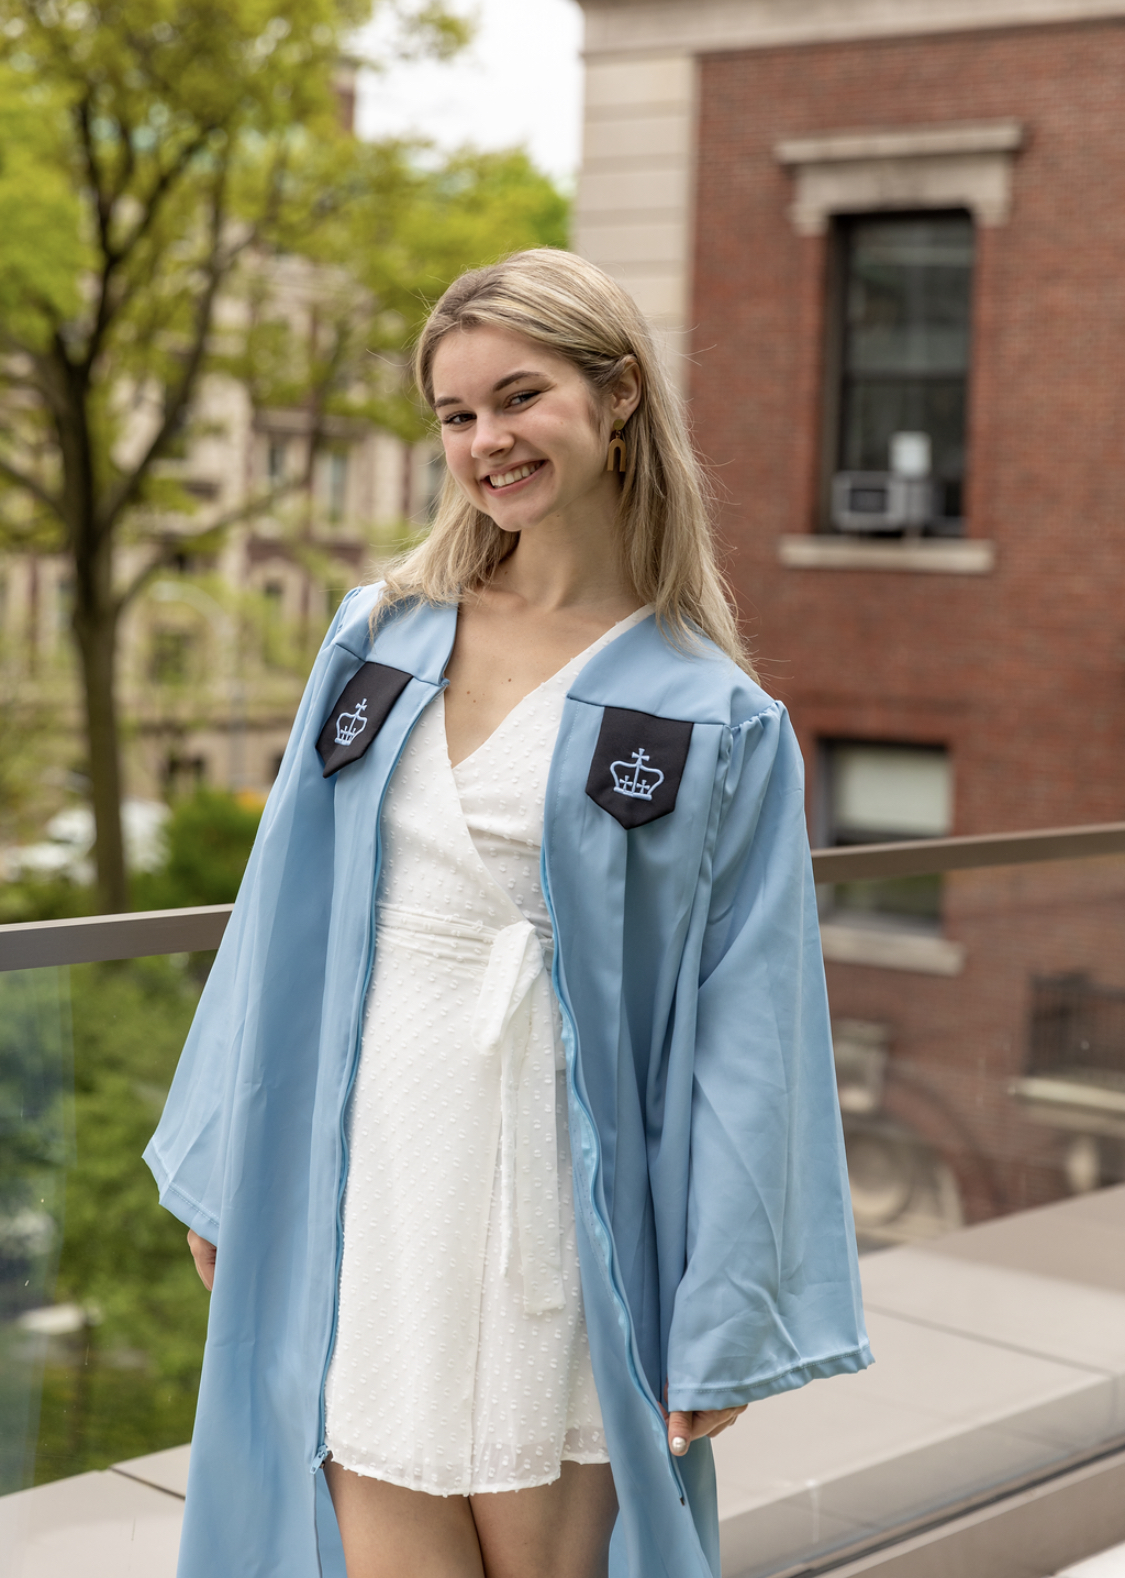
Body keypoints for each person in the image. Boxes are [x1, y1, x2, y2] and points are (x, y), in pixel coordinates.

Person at [146, 248, 871, 1578]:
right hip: (376, 1167)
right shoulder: (381, 635)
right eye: (455, 414)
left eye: (517, 397)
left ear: (616, 399)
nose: (485, 440)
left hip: (559, 1175)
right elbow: (278, 913)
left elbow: (749, 1028)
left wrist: (719, 1311)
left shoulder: (712, 714)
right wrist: (220, 1154)